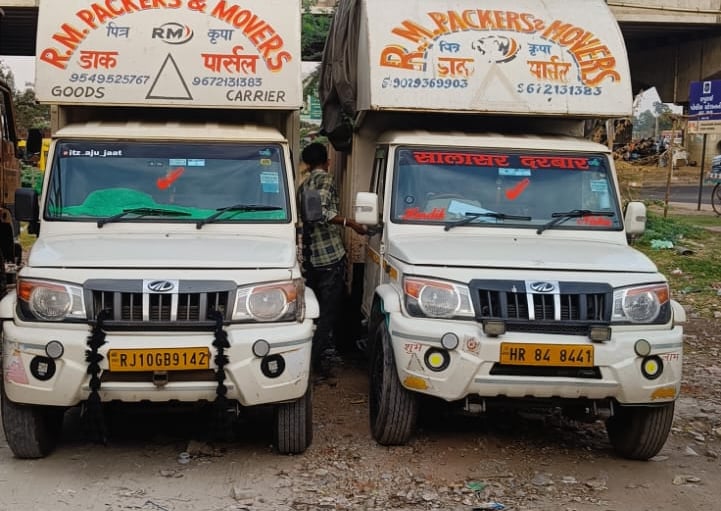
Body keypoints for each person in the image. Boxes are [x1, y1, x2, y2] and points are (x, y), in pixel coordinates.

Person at [298, 142, 366, 379]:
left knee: (315, 313)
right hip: (329, 255)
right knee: (328, 314)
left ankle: (310, 358)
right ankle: (311, 365)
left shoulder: (303, 184)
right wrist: (350, 223)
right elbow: (320, 213)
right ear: (327, 161)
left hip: (312, 257)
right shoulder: (325, 179)